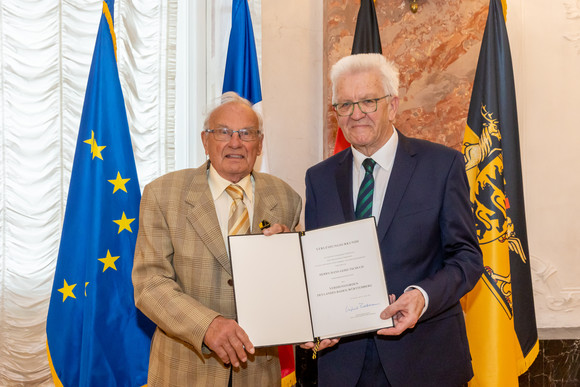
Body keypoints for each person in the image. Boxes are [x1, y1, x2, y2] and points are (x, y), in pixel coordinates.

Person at [302, 53, 484, 386]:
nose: (356, 114)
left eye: (368, 101)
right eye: (344, 104)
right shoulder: (319, 179)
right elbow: (316, 267)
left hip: (426, 362)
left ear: (393, 105)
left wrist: (422, 296)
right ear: (336, 114)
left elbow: (468, 258)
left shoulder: (442, 166)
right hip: (343, 365)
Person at [132, 92, 302, 386]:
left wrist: (290, 258)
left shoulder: (286, 198)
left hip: (258, 375)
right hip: (184, 373)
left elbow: (296, 286)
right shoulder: (163, 194)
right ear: (205, 140)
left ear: (259, 144)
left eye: (246, 133)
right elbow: (150, 285)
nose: (235, 142)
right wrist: (207, 325)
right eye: (223, 132)